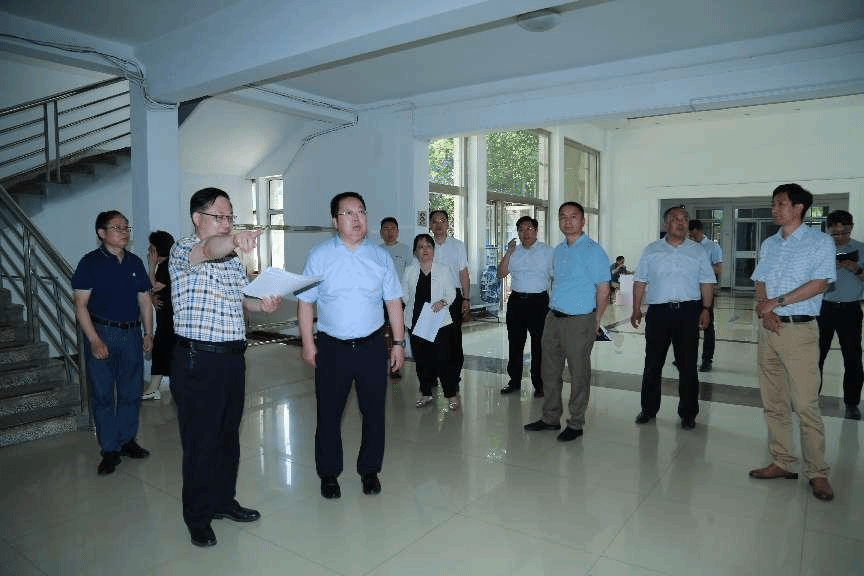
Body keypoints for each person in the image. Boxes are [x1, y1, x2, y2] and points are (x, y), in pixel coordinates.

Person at [169, 188, 282, 547]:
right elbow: (208, 250)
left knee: (227, 438)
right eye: (220, 216)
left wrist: (263, 305)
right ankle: (197, 517)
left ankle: (222, 500)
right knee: (201, 441)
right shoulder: (183, 250)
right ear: (197, 217)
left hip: (232, 358)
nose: (227, 223)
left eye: (230, 217)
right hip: (198, 359)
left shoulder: (232, 260)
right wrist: (233, 239)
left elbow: (243, 300)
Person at [298, 192, 405, 500]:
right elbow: (305, 303)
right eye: (348, 213)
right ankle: (329, 474)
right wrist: (308, 344)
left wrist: (398, 343)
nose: (357, 218)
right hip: (332, 348)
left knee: (374, 412)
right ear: (335, 221)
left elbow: (393, 301)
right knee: (329, 414)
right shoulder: (319, 256)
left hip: (372, 346)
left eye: (361, 211)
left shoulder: (380, 257)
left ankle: (370, 471)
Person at [749, 183, 835, 502]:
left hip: (799, 331)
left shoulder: (819, 242)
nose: (774, 209)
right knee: (773, 400)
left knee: (804, 404)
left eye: (781, 204)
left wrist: (777, 302)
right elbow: (760, 280)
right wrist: (765, 309)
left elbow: (820, 283)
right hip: (769, 329)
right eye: (774, 203)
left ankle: (818, 472)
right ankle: (782, 461)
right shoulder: (770, 243)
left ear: (799, 208)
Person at [72, 210, 153, 476]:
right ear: (101, 233)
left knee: (131, 392)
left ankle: (127, 440)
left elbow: (145, 300)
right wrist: (94, 339)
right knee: (103, 394)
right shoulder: (90, 263)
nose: (124, 231)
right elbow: (80, 305)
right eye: (117, 227)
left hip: (131, 334)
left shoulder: (135, 262)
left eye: (126, 227)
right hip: (103, 332)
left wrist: (148, 333)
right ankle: (109, 449)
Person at [523, 202, 610, 442]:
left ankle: (576, 423)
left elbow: (603, 289)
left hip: (580, 321)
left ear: (583, 221)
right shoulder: (559, 250)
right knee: (549, 371)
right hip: (554, 318)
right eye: (563, 217)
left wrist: (596, 319)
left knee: (579, 373)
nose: (567, 221)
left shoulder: (593, 251)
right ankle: (550, 418)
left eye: (573, 217)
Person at [631, 206, 715, 430]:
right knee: (653, 363)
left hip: (688, 312)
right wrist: (636, 308)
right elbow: (640, 281)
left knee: (688, 365)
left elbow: (707, 282)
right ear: (665, 224)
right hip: (658, 313)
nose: (681, 223)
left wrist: (706, 309)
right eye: (675, 219)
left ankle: (688, 413)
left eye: (684, 219)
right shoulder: (651, 250)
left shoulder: (698, 251)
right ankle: (648, 409)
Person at [497, 215, 553, 397]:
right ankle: (514, 381)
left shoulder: (548, 251)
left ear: (536, 231)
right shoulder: (514, 252)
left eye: (529, 229)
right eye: (521, 230)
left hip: (539, 302)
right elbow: (501, 273)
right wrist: (508, 252)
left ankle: (540, 384)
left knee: (539, 345)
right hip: (516, 302)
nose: (525, 233)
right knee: (515, 343)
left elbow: (557, 277)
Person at [817, 210, 864, 420]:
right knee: (816, 356)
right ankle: (810, 398)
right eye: (835, 233)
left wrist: (856, 269)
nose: (840, 237)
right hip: (823, 308)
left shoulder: (861, 249)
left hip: (850, 309)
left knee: (852, 358)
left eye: (844, 232)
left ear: (851, 227)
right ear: (828, 230)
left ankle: (852, 403)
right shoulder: (821, 249)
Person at [402, 234, 458, 409]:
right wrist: (415, 308)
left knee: (443, 360)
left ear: (433, 250)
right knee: (422, 361)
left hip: (439, 321)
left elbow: (451, 293)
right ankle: (426, 393)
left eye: (428, 246)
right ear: (415, 252)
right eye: (420, 247)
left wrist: (442, 302)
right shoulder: (409, 270)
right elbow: (404, 294)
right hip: (416, 322)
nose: (424, 250)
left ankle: (451, 395)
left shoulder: (443, 269)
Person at [429, 210, 470, 388]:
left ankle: (454, 375)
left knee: (453, 338)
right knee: (430, 337)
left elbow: (463, 274)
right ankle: (432, 375)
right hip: (431, 297)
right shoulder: (425, 245)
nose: (439, 225)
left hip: (453, 298)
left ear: (447, 224)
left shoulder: (458, 246)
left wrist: (466, 299)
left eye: (442, 221)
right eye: (435, 221)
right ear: (430, 225)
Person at [141, 230, 175, 400]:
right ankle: (154, 388)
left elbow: (153, 286)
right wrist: (153, 298)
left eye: (151, 247)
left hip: (170, 320)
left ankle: (155, 388)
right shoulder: (166, 265)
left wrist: (151, 265)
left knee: (163, 350)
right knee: (161, 351)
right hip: (166, 319)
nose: (149, 250)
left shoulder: (166, 266)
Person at [688, 219, 723, 372]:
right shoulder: (688, 246)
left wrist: (701, 267)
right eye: (690, 235)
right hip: (689, 291)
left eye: (694, 235)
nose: (692, 238)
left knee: (707, 325)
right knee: (689, 325)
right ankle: (687, 357)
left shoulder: (713, 247)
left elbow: (718, 268)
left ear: (701, 231)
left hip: (705, 291)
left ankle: (707, 360)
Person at [380, 216, 412, 379]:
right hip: (380, 299)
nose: (389, 232)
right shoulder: (376, 251)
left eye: (393, 229)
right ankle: (380, 363)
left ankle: (395, 366)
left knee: (396, 332)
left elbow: (410, 276)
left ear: (398, 232)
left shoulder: (406, 250)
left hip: (399, 299)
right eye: (386, 229)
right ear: (381, 232)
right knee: (382, 332)